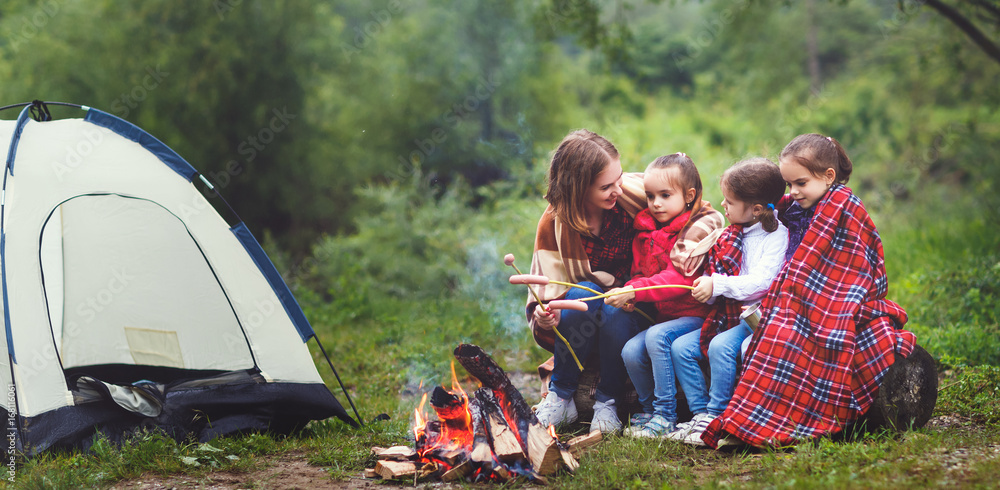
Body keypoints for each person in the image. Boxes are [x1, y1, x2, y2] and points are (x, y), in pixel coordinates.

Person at [700, 134, 917, 448]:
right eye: (789, 184)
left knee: (783, 342)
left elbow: (851, 266)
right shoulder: (793, 206)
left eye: (800, 183)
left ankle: (770, 423)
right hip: (785, 301)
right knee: (771, 338)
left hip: (829, 301)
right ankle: (748, 420)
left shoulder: (843, 207)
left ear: (828, 176)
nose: (793, 192)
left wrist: (799, 294)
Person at [528, 129, 648, 434]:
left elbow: (700, 210)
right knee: (588, 293)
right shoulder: (555, 223)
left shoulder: (634, 194)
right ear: (579, 189)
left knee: (614, 304)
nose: (617, 190)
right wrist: (547, 314)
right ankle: (562, 395)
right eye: (606, 186)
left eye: (619, 179)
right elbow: (550, 293)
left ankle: (607, 402)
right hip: (583, 321)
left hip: (636, 304)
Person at [665, 158, 789, 445]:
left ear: (756, 210)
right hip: (728, 314)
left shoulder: (775, 235)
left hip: (756, 317)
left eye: (730, 202)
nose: (723, 205)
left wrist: (717, 285)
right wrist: (708, 287)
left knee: (721, 345)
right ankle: (699, 415)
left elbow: (762, 283)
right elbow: (720, 270)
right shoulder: (732, 233)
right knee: (681, 348)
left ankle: (717, 412)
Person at [611, 153, 725, 438]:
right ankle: (650, 409)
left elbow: (678, 280)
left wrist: (635, 289)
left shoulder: (692, 233)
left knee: (656, 337)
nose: (656, 203)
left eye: (664, 195)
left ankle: (666, 414)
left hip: (697, 316)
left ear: (688, 195)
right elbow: (639, 274)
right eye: (650, 196)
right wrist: (631, 295)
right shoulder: (645, 232)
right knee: (630, 351)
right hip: (665, 317)